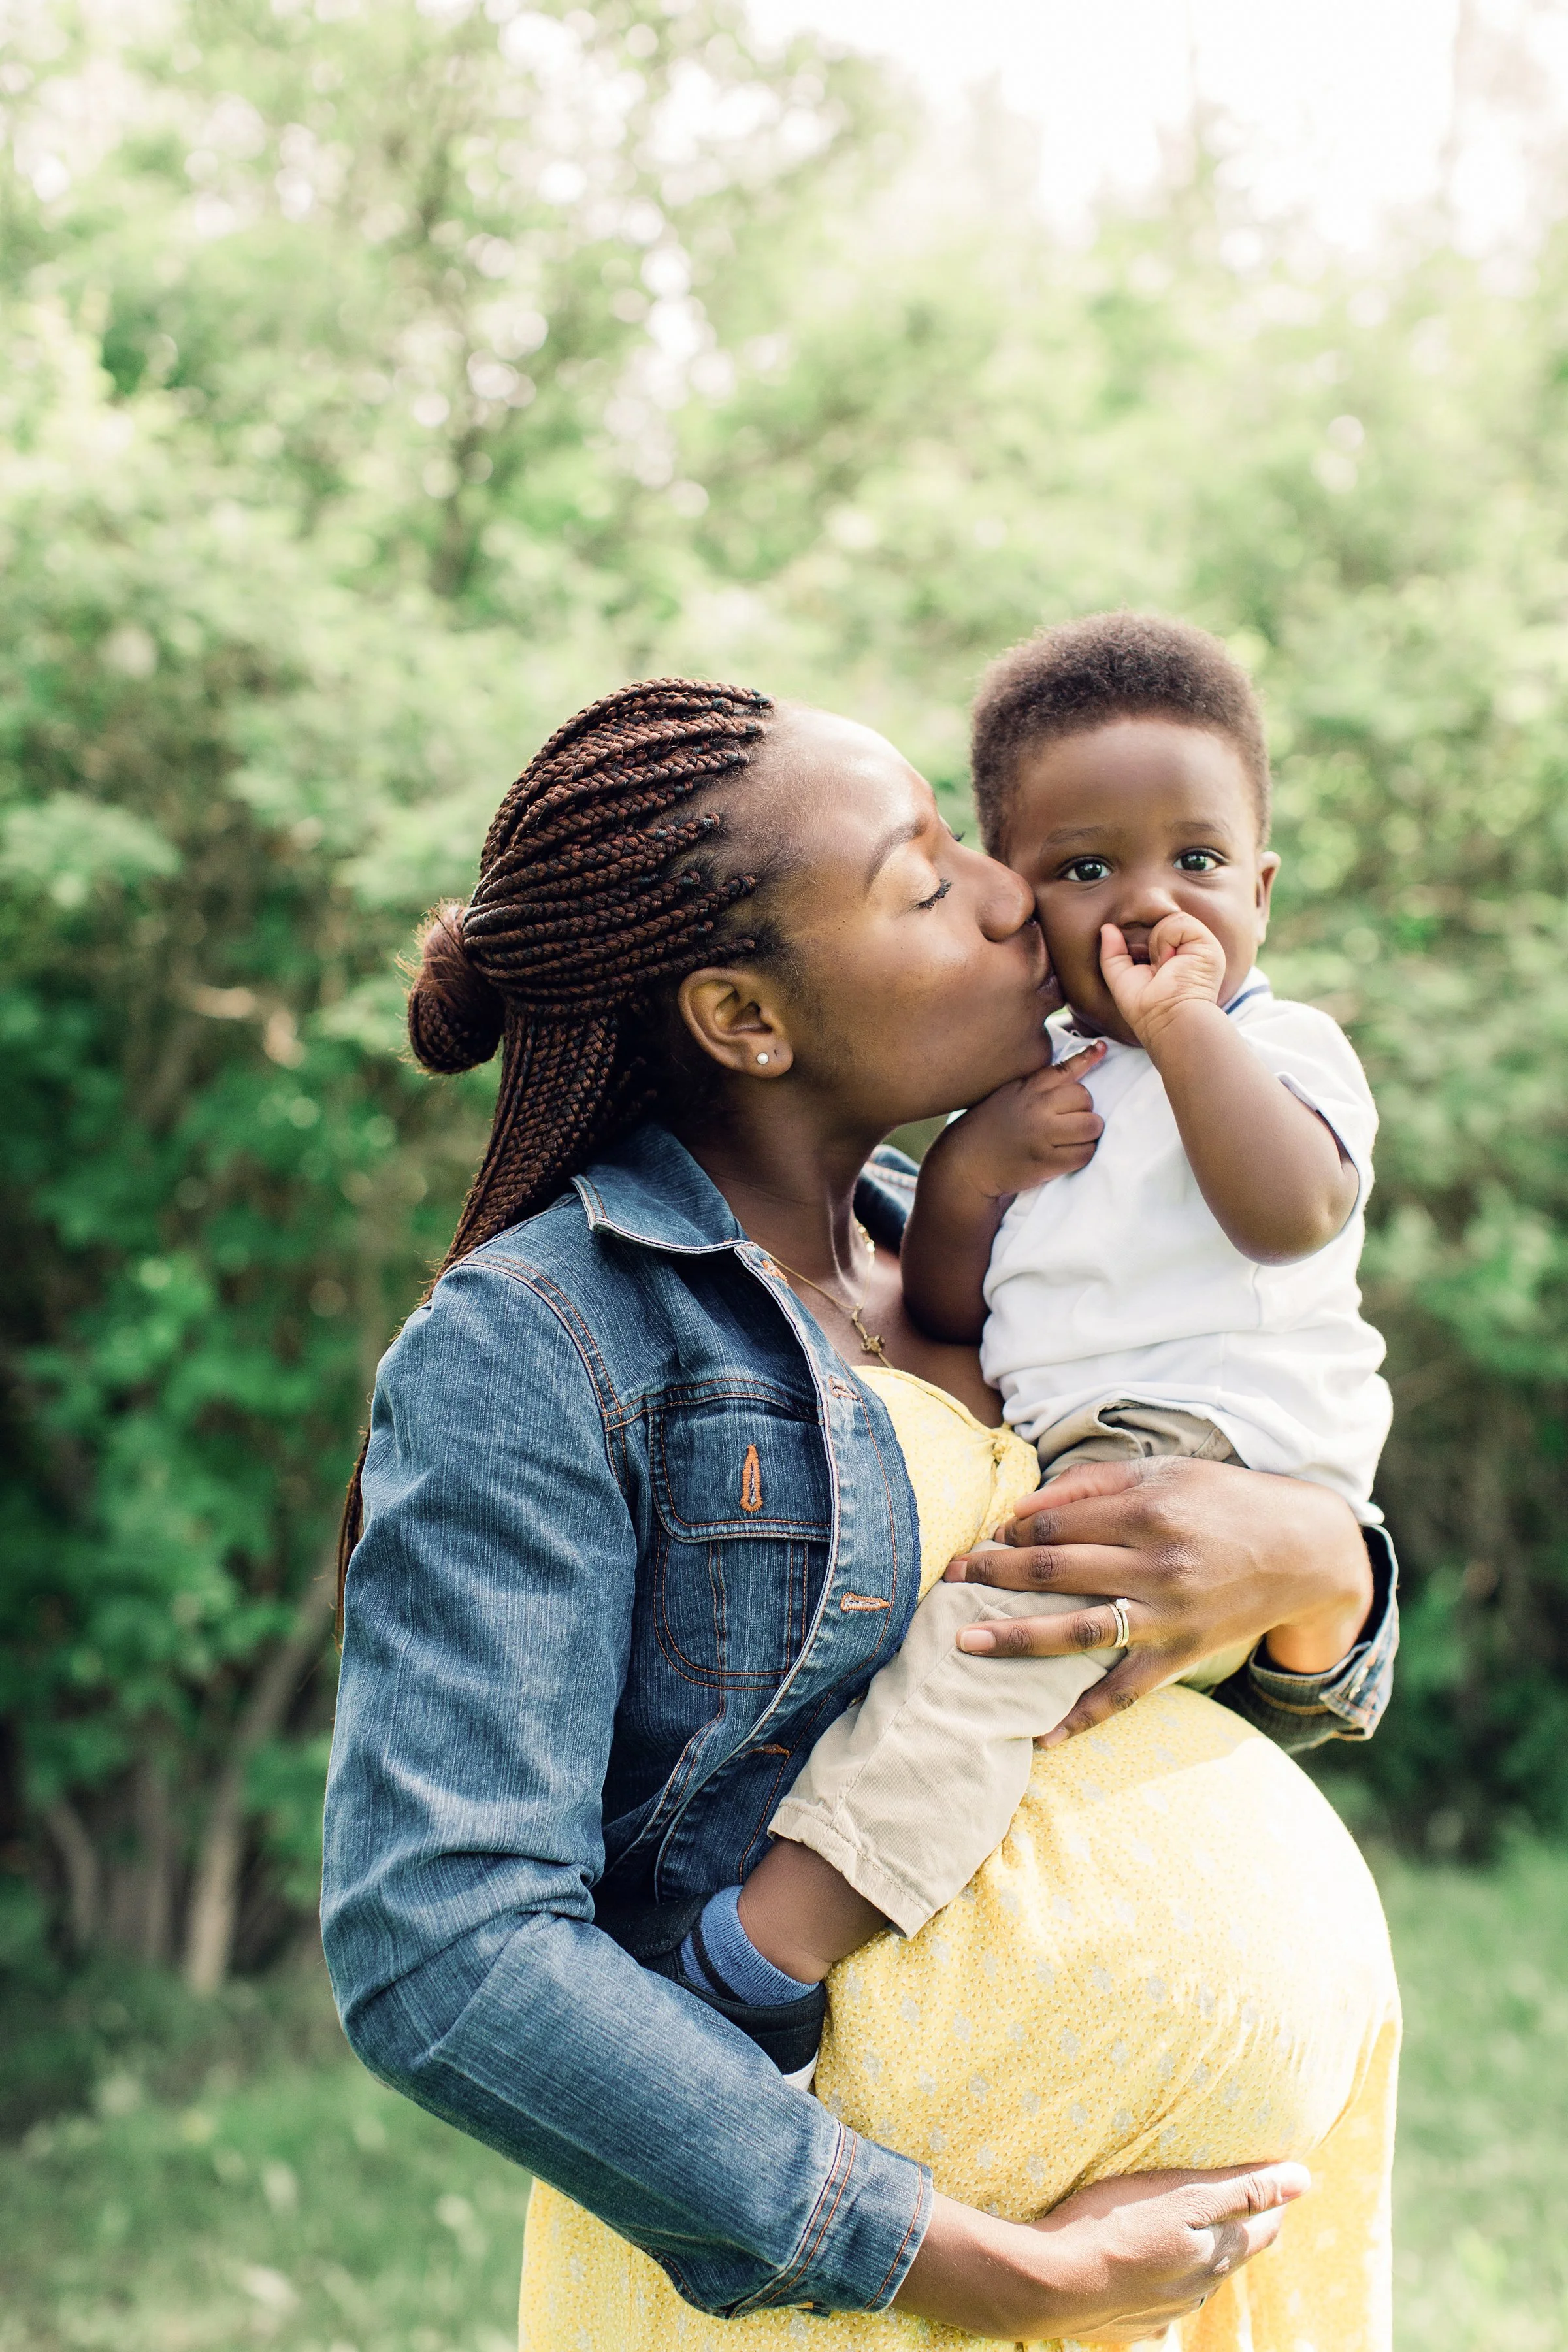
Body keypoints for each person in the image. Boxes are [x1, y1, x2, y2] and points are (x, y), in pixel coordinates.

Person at [320, 678, 1400, 2352]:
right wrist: (974, 2265)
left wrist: (1320, 1564)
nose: (1009, 896)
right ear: (749, 1019)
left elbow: (1213, 1664)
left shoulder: (996, 1242)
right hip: (861, 2311)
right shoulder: (543, 1342)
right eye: (925, 880)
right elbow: (439, 1951)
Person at [715, 612, 1396, 2029]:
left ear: (1262, 886)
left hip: (1206, 1440)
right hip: (1068, 1435)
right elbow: (953, 1308)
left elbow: (1291, 1212)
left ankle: (771, 1949)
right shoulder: (1042, 1095)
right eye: (1088, 869)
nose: (1151, 904)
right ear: (1020, 903)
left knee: (985, 1644)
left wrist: (1188, 1029)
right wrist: (972, 1170)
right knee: (992, 1633)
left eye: (1196, 863)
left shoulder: (1277, 1051)